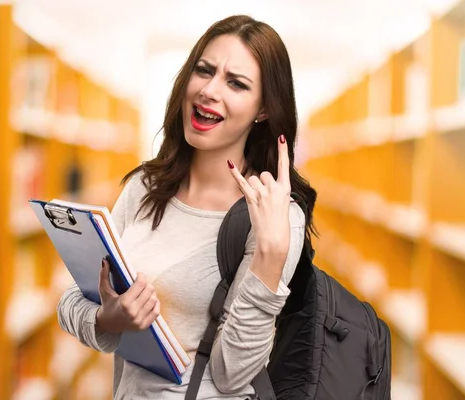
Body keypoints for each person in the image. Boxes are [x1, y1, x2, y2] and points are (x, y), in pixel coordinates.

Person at [57, 14, 317, 399]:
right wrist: (106, 319)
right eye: (204, 70)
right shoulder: (145, 187)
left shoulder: (276, 218)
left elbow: (232, 375)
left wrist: (272, 254)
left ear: (263, 109)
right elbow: (69, 302)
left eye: (236, 83)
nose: (209, 90)